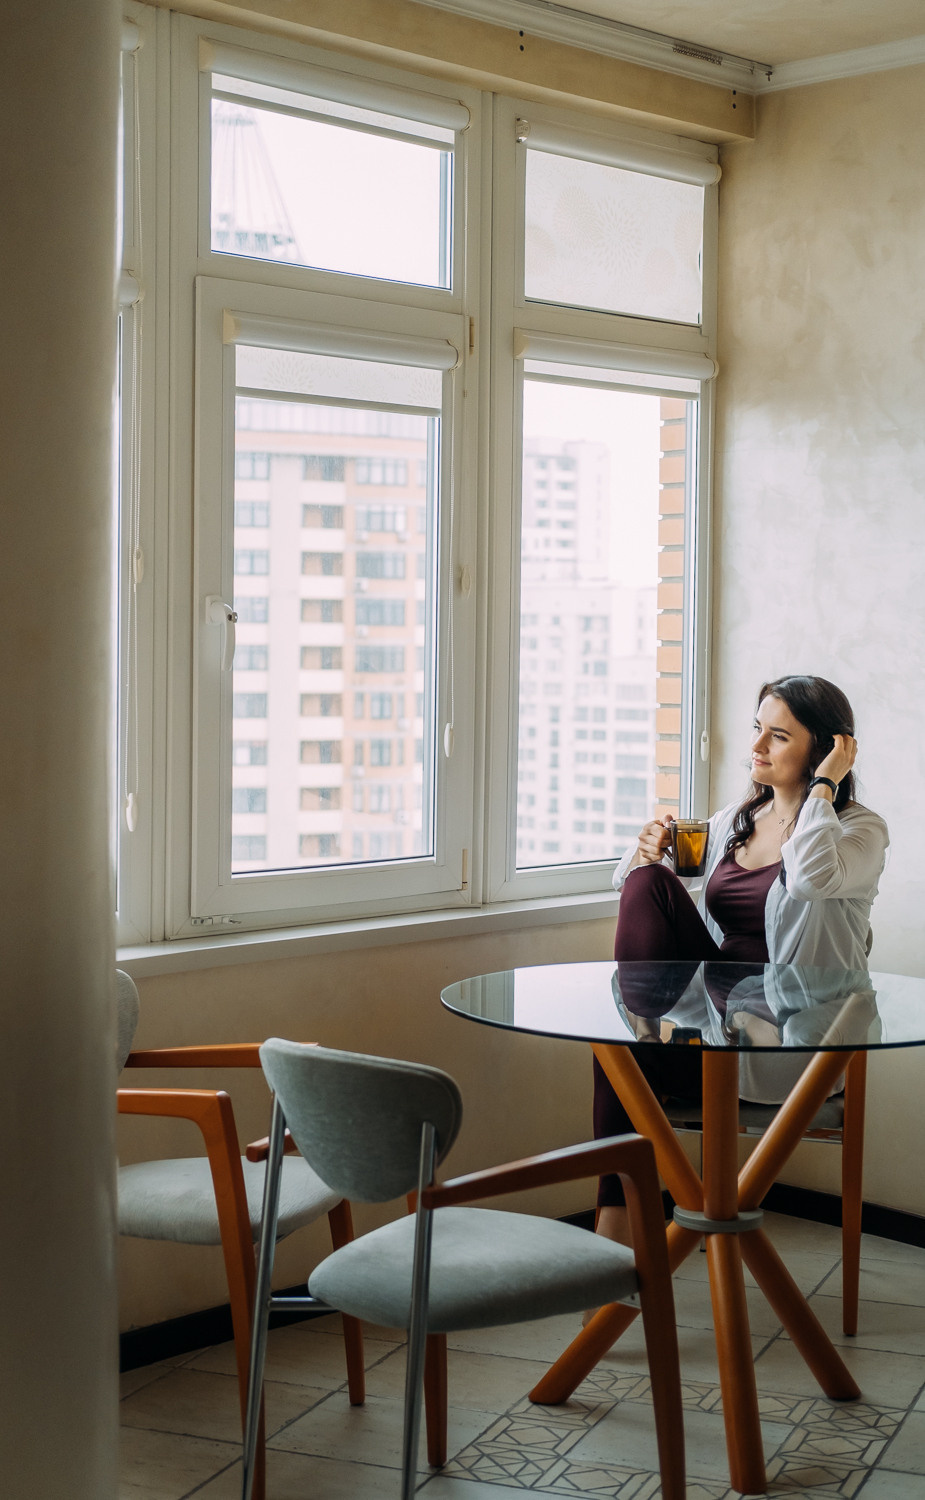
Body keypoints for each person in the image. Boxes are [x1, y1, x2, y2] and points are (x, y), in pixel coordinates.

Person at [593, 674, 889, 1248]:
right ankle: (623, 1228)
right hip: (713, 1029)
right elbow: (633, 890)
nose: (755, 746)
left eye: (778, 736)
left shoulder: (859, 831)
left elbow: (810, 878)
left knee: (621, 1065)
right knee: (648, 887)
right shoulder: (736, 820)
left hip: (789, 1046)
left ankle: (615, 1244)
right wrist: (647, 851)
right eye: (758, 728)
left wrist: (822, 788)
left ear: (826, 747)